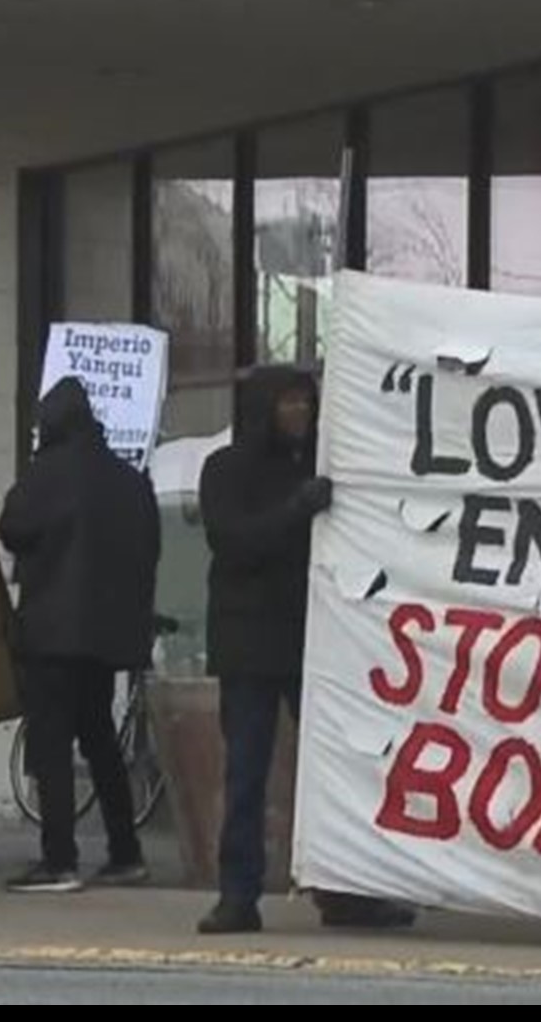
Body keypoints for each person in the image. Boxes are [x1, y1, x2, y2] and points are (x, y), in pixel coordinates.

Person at [196, 367, 416, 935]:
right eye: (288, 403)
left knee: (336, 770)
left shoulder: (319, 466)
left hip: (313, 639)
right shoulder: (226, 469)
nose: (299, 413)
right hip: (250, 645)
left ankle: (346, 891)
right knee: (247, 772)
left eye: (305, 403)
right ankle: (237, 894)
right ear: (263, 408)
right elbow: (234, 541)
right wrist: (298, 509)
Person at [0, 378, 160, 892]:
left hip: (52, 630)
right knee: (100, 741)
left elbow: (12, 529)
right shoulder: (129, 480)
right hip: (109, 635)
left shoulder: (46, 475)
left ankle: (59, 858)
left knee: (50, 746)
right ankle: (125, 850)